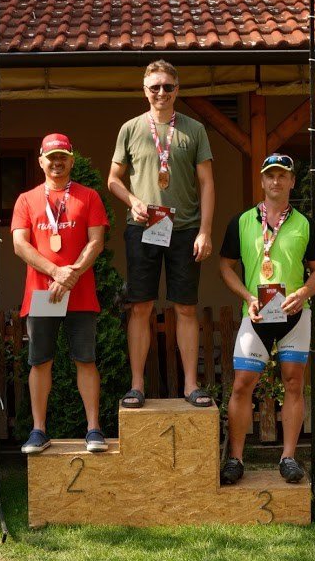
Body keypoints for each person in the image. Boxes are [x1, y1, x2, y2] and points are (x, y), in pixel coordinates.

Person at [107, 59, 215, 409]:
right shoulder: (130, 128)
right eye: (155, 87)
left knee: (186, 307)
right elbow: (113, 180)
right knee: (140, 307)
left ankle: (190, 385)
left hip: (185, 230)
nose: (161, 93)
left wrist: (205, 231)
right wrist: (133, 200)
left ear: (177, 89)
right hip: (143, 228)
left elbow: (207, 183)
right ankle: (137, 385)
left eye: (168, 86)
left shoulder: (194, 129)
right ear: (145, 90)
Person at [218, 154, 315, 484]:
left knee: (293, 383)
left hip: (294, 314)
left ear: (292, 181)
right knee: (242, 384)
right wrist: (248, 297)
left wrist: (303, 293)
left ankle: (288, 457)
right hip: (256, 314)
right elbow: (225, 266)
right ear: (262, 181)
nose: (276, 181)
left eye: (282, 175)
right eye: (270, 176)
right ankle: (236, 459)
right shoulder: (241, 221)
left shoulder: (305, 224)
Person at [11, 134, 110, 454]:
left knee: (86, 360)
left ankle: (93, 428)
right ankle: (38, 430)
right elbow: (20, 245)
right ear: (41, 161)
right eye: (51, 157)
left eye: (62, 157)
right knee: (40, 361)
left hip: (80, 293)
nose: (57, 162)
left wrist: (72, 274)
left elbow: (96, 242)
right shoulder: (26, 199)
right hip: (42, 293)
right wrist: (57, 272)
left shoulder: (89, 196)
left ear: (71, 160)